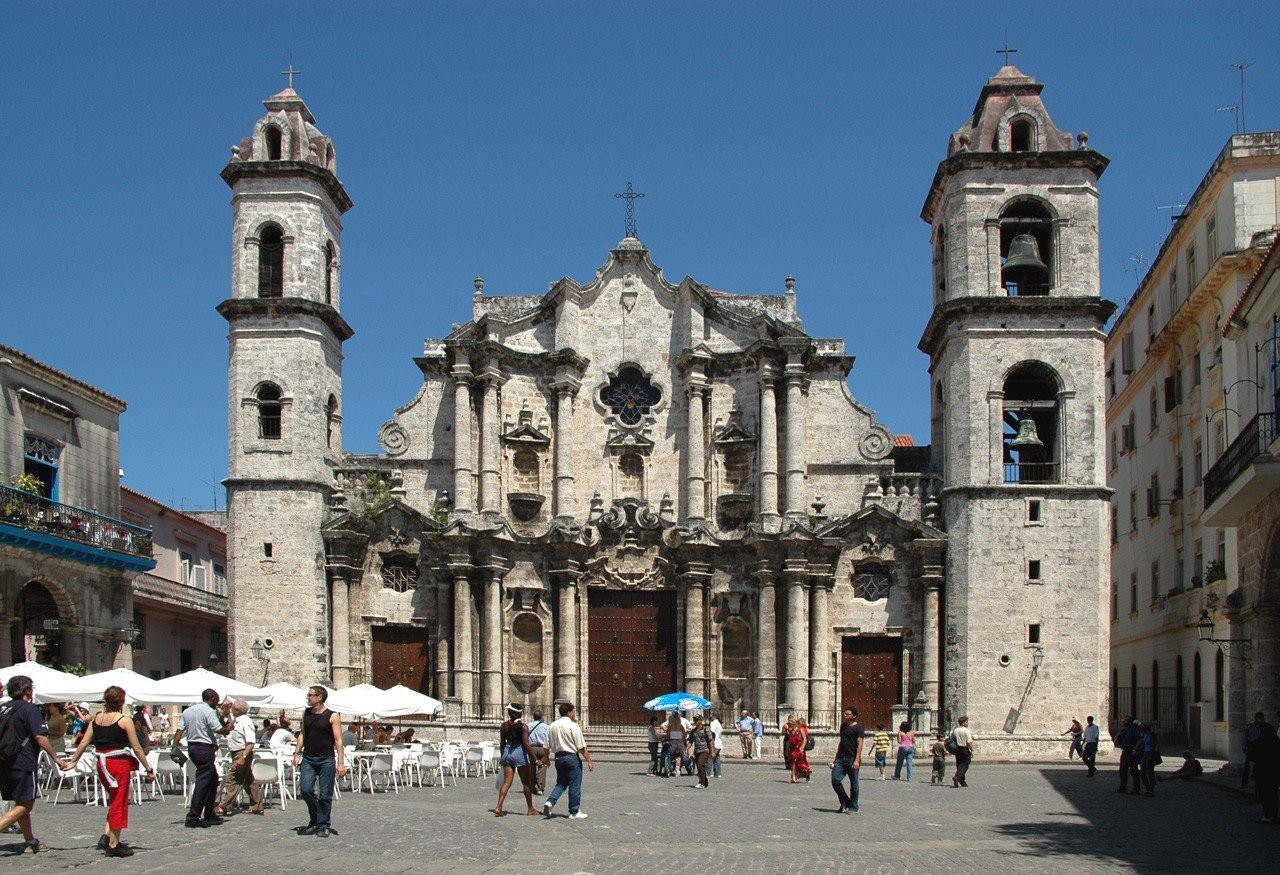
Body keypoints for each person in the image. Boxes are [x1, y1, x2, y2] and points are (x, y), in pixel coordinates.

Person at [67, 685, 156, 856]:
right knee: (119, 801)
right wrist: (148, 768)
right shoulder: (124, 720)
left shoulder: (97, 718)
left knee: (115, 799)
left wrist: (73, 761)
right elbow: (137, 748)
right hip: (117, 764)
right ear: (121, 701)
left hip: (102, 764)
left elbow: (84, 742)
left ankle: (107, 835)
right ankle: (114, 845)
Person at [0, 675, 70, 853]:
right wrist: (56, 758)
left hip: (5, 760)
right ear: (27, 690)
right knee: (26, 804)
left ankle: (31, 840)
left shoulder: (4, 708)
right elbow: (40, 736)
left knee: (21, 802)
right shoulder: (29, 709)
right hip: (23, 761)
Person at [293, 685, 346, 838]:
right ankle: (316, 817)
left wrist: (341, 763)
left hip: (326, 759)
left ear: (320, 697)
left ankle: (323, 825)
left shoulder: (332, 716)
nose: (308, 697)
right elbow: (302, 734)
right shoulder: (306, 713)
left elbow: (338, 740)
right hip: (308, 758)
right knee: (305, 789)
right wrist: (297, 753)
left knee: (325, 794)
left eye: (310, 695)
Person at [173, 688, 230, 828]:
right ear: (211, 698)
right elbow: (218, 729)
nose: (216, 703)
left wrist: (174, 748)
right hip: (204, 749)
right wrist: (229, 727)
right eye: (216, 700)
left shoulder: (188, 711)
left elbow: (179, 731)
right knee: (203, 782)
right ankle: (193, 817)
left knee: (213, 778)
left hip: (193, 747)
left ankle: (209, 813)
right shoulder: (208, 711)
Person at [541, 702, 594, 819]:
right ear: (569, 712)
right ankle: (574, 811)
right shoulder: (573, 726)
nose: (574, 713)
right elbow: (581, 747)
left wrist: (546, 757)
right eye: (573, 711)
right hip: (571, 758)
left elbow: (546, 745)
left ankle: (550, 802)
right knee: (574, 784)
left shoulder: (552, 726)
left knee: (561, 782)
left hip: (558, 758)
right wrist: (589, 761)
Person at [216, 699, 263, 816]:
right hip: (235, 752)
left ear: (238, 710)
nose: (231, 709)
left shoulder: (246, 722)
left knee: (233, 779)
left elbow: (251, 742)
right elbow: (224, 718)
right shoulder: (236, 719)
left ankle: (223, 806)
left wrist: (243, 757)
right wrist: (226, 708)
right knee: (248, 780)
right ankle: (257, 805)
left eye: (233, 707)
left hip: (242, 752)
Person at [493, 703, 538, 817]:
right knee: (526, 782)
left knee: (507, 782)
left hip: (508, 751)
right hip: (519, 752)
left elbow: (502, 742)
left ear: (510, 713)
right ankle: (530, 809)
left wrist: (503, 756)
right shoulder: (523, 727)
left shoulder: (504, 725)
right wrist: (536, 759)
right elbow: (526, 745)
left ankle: (498, 807)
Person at [830, 706, 865, 814]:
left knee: (854, 783)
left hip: (852, 758)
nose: (845, 715)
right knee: (835, 780)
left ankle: (853, 806)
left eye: (848, 714)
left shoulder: (859, 727)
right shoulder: (843, 726)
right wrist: (836, 759)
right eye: (845, 713)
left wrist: (856, 760)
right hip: (841, 758)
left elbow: (860, 744)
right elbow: (842, 742)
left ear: (854, 716)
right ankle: (845, 800)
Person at [1247, 712, 1280, 823]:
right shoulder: (1277, 742)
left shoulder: (1259, 742)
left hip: (1262, 773)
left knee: (1265, 795)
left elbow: (1252, 758)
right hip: (1275, 772)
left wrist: (1252, 772)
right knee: (1273, 794)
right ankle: (1274, 815)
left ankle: (1267, 815)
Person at [1113, 715, 1141, 794]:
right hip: (1125, 751)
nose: (1123, 721)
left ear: (1129, 722)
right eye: (1123, 720)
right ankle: (1123, 787)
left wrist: (1135, 749)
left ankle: (1136, 789)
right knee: (1122, 770)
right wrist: (1119, 733)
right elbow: (1115, 739)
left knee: (1133, 770)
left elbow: (1139, 740)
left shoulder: (1134, 730)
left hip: (1131, 751)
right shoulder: (1124, 730)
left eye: (1125, 720)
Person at [687, 715, 714, 788]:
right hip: (697, 751)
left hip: (705, 750)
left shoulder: (706, 729)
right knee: (699, 767)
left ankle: (701, 782)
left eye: (696, 720)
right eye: (694, 720)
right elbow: (690, 741)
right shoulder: (693, 731)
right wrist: (687, 749)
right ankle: (705, 781)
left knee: (700, 764)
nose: (695, 721)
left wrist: (712, 751)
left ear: (701, 720)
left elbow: (710, 740)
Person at [1135, 721, 1159, 796]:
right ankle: (1148, 788)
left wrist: (1151, 756)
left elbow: (1154, 746)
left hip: (1150, 754)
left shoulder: (1152, 735)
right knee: (1142, 772)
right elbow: (1142, 743)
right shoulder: (1145, 734)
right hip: (1145, 753)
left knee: (1150, 772)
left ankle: (1151, 789)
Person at [528, 710, 550, 792]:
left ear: (533, 717)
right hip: (542, 748)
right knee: (542, 767)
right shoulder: (546, 727)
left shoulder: (528, 726)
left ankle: (531, 786)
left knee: (531, 767)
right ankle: (540, 787)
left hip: (532, 748)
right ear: (541, 717)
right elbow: (548, 739)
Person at [950, 715, 973, 788]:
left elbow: (952, 738)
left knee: (959, 764)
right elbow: (969, 742)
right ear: (963, 723)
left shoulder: (955, 730)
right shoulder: (966, 731)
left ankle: (962, 781)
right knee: (965, 764)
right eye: (966, 722)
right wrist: (972, 749)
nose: (967, 723)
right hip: (964, 748)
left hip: (957, 749)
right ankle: (957, 777)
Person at [788, 717, 811, 783]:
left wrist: (802, 747)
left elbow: (804, 739)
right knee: (793, 762)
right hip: (793, 748)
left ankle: (805, 774)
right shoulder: (793, 730)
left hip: (799, 748)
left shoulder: (801, 729)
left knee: (800, 763)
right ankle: (793, 777)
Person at [664, 712, 686, 777]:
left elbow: (667, 736)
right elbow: (685, 735)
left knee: (671, 754)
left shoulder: (670, 727)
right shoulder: (681, 727)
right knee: (678, 756)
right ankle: (677, 769)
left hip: (672, 744)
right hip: (680, 745)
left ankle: (670, 765)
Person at [709, 712, 724, 779]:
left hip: (714, 743)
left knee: (710, 758)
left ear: (714, 716)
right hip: (719, 743)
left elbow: (712, 732)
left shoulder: (714, 723)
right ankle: (718, 773)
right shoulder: (719, 723)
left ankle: (708, 773)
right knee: (717, 758)